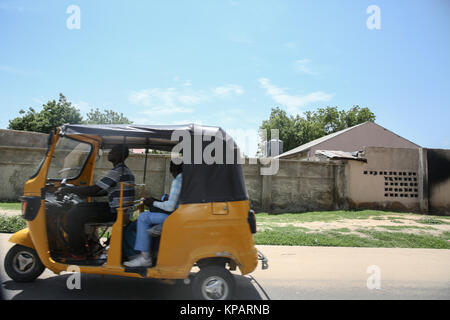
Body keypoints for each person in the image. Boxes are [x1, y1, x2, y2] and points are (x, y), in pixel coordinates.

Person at [57, 144, 135, 259]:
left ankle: (79, 252)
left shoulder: (118, 171)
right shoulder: (124, 171)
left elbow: (95, 189)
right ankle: (92, 245)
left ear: (119, 155)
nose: (110, 153)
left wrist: (69, 189)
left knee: (73, 215)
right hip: (121, 210)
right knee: (83, 207)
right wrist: (81, 190)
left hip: (115, 211)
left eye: (113, 151)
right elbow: (102, 191)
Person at [124, 160, 182, 267]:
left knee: (143, 217)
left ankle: (145, 258)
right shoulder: (187, 179)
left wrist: (153, 202)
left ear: (172, 169)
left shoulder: (178, 180)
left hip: (175, 217)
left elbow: (170, 207)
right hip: (179, 215)